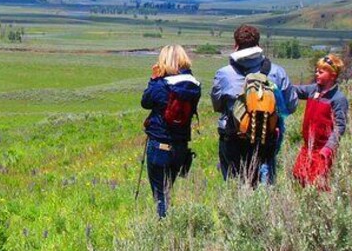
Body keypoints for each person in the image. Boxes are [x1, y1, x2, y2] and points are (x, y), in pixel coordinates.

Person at [211, 25, 298, 185]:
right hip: (267, 137)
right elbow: (291, 106)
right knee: (263, 186)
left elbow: (217, 105)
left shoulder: (224, 73)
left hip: (233, 137)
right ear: (258, 44)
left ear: (235, 45)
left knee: (235, 185)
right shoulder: (277, 72)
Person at [141, 45, 201, 218]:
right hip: (181, 147)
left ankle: (164, 230)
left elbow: (145, 102)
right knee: (168, 189)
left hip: (160, 143)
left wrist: (153, 79)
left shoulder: (160, 85)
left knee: (160, 195)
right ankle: (168, 224)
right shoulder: (194, 86)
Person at [292, 54, 348, 190]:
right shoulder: (313, 90)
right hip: (307, 147)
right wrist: (279, 84)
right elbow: (295, 90)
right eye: (316, 71)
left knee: (318, 185)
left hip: (322, 150)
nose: (317, 74)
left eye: (321, 72)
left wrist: (329, 148)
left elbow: (340, 126)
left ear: (333, 75)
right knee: (300, 178)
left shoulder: (338, 99)